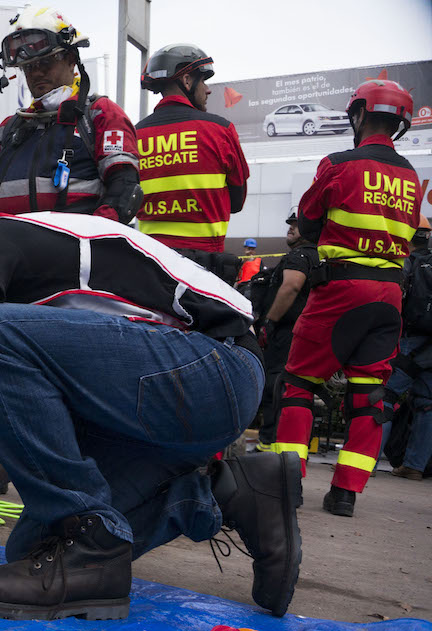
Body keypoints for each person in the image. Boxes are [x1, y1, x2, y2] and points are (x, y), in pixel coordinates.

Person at [0, 213, 302, 620]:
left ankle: (93, 536)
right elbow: (70, 383)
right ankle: (228, 494)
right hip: (185, 392)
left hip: (214, 367)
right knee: (36, 547)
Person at [273, 80, 422, 517]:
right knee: (369, 396)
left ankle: (287, 484)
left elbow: (309, 219)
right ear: (399, 124)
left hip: (341, 289)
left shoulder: (338, 163)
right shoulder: (411, 175)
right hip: (389, 295)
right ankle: (345, 493)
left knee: (297, 384)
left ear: (357, 115)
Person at [0, 7, 142, 223]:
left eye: (45, 62)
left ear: (70, 59)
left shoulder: (100, 113)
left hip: (72, 246)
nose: (36, 73)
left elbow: (124, 188)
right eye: (28, 67)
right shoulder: (9, 127)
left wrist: (94, 239)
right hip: (7, 247)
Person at [136, 44, 249, 282]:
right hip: (204, 271)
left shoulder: (134, 135)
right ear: (187, 80)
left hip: (149, 266)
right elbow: (237, 202)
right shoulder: (220, 130)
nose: (207, 90)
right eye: (203, 81)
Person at [251, 210, 317, 449]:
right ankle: (293, 443)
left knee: (276, 386)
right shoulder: (322, 257)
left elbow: (291, 287)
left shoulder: (298, 257)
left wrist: (269, 322)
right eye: (290, 223)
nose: (290, 228)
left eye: (297, 225)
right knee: (299, 389)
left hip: (287, 333)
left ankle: (270, 441)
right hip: (309, 332)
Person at [383, 216, 432, 480]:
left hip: (410, 340)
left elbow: (394, 297)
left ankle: (365, 460)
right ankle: (414, 465)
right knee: (427, 404)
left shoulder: (407, 262)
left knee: (385, 396)